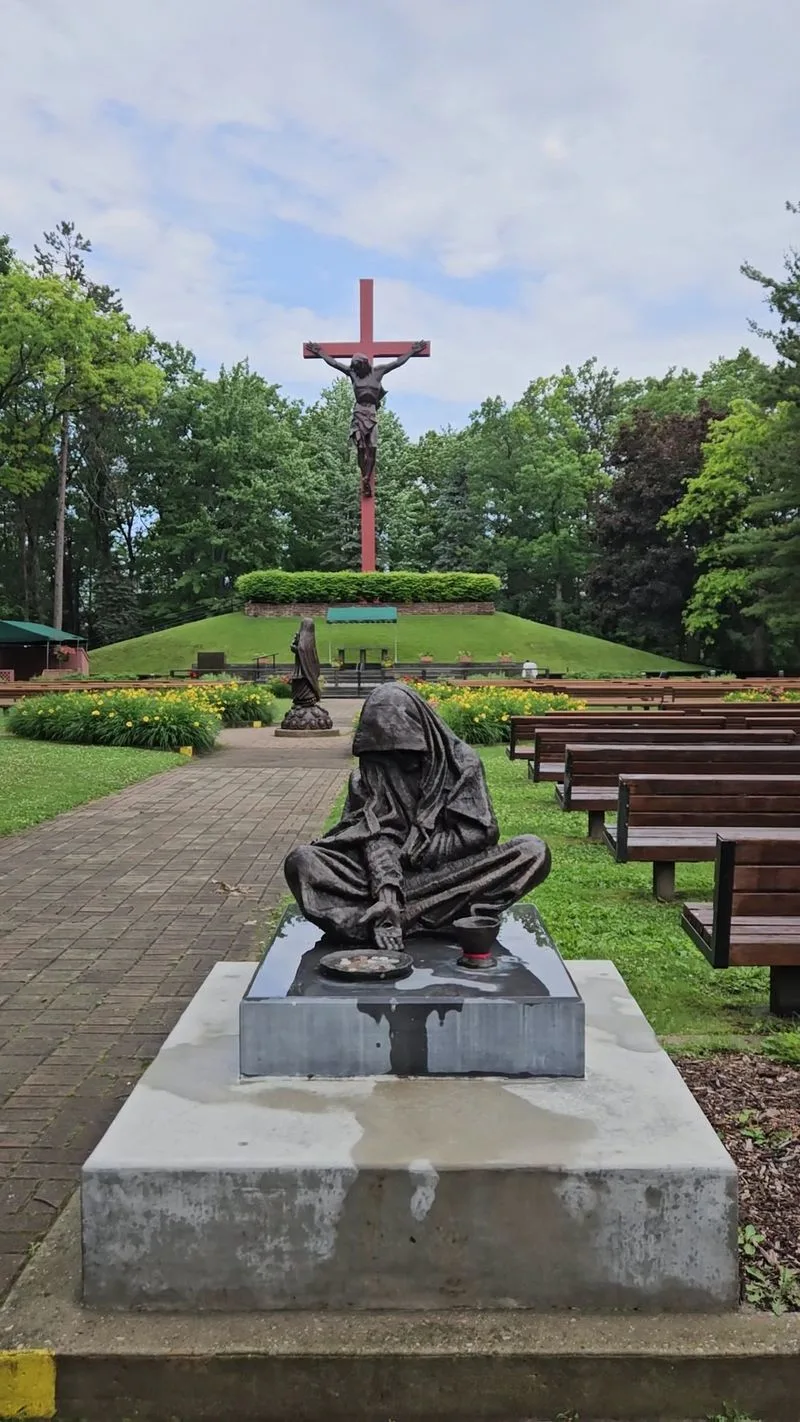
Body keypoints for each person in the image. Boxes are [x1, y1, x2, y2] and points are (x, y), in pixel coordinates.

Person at [284, 683, 550, 953]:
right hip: (379, 876)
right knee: (303, 861)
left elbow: (480, 833)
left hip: (446, 873)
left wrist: (416, 851)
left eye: (407, 750)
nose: (399, 761)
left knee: (531, 851)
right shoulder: (366, 776)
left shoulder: (461, 764)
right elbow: (370, 836)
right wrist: (387, 889)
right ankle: (393, 911)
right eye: (388, 753)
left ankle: (388, 917)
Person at [305, 341, 426, 495]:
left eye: (357, 367)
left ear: (363, 364)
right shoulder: (353, 374)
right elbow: (334, 363)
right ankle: (364, 476)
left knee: (373, 446)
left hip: (371, 412)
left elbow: (396, 363)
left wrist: (412, 352)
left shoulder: (378, 372)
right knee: (361, 448)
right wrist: (320, 353)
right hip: (359, 411)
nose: (355, 370)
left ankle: (367, 477)